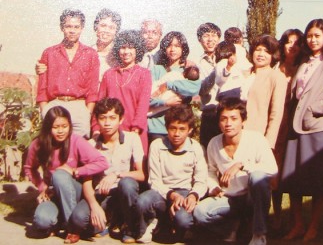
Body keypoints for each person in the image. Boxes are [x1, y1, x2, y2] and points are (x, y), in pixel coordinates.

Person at [280, 19, 323, 242]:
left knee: (317, 182)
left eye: (317, 35)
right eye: (309, 36)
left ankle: (313, 226)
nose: (313, 39)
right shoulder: (304, 61)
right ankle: (298, 224)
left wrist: (313, 109)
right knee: (292, 179)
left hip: (316, 129)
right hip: (295, 130)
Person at [194, 97, 278, 245]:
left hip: (253, 197)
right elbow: (211, 171)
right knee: (200, 213)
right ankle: (231, 227)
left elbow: (272, 168)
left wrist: (241, 165)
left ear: (243, 121)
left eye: (234, 118)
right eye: (223, 119)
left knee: (258, 176)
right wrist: (214, 186)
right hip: (230, 198)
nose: (228, 124)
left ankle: (259, 234)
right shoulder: (214, 143)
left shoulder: (256, 139)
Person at [23, 106, 108, 244]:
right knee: (41, 221)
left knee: (60, 175)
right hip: (54, 193)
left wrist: (76, 171)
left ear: (70, 126)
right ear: (48, 127)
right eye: (56, 127)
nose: (61, 131)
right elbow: (29, 168)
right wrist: (42, 187)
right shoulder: (38, 144)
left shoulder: (76, 141)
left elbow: (102, 162)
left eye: (64, 126)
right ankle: (61, 222)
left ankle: (73, 228)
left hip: (77, 191)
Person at [69, 98, 145, 244]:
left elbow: (141, 174)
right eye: (102, 118)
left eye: (112, 118)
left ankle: (129, 227)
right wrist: (94, 206)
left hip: (123, 193)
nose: (107, 123)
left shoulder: (132, 139)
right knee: (78, 219)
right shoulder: (90, 144)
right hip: (101, 195)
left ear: (121, 119)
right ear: (97, 120)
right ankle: (109, 220)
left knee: (127, 184)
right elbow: (87, 181)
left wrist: (116, 174)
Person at [135, 105, 208, 243]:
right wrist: (171, 195)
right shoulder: (157, 145)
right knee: (142, 201)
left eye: (182, 129)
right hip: (162, 192)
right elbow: (154, 180)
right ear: (166, 128)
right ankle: (152, 223)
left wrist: (193, 195)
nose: (176, 134)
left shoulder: (196, 148)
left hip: (185, 193)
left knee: (183, 221)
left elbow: (201, 180)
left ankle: (176, 226)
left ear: (190, 130)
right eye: (172, 128)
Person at [36, 9, 99, 138]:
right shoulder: (49, 53)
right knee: (52, 149)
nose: (72, 30)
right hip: (55, 104)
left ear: (81, 28)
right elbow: (42, 88)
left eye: (76, 27)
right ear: (61, 27)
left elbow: (92, 89)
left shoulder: (90, 54)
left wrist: (87, 112)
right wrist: (44, 110)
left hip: (79, 106)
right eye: (68, 26)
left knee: (79, 148)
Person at [269, 28, 304, 233]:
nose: (292, 46)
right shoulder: (275, 70)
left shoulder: (304, 68)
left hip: (297, 125)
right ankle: (276, 217)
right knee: (276, 171)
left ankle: (295, 219)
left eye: (297, 42)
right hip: (279, 126)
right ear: (282, 45)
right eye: (288, 42)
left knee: (293, 173)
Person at [96, 30, 151, 155]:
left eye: (131, 48)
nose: (126, 52)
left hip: (134, 131)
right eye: (123, 47)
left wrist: (135, 131)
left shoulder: (144, 74)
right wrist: (96, 129)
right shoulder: (108, 74)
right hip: (109, 131)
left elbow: (143, 105)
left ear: (138, 50)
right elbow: (99, 104)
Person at [147, 31, 200, 144]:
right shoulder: (156, 69)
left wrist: (168, 84)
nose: (172, 49)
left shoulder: (187, 70)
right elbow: (148, 97)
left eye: (177, 46)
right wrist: (165, 102)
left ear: (183, 49)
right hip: (157, 127)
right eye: (169, 46)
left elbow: (194, 89)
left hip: (180, 127)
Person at [242, 34, 287, 151]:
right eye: (258, 50)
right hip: (236, 135)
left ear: (273, 55)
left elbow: (276, 114)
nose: (261, 54)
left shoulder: (276, 77)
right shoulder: (243, 74)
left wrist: (268, 143)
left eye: (266, 51)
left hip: (258, 136)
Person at [197, 22, 222, 148]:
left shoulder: (227, 57)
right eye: (206, 36)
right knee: (207, 153)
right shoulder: (199, 64)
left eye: (214, 35)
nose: (210, 39)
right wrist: (217, 71)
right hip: (209, 115)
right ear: (200, 40)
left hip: (227, 112)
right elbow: (201, 89)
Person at [93, 8, 122, 79]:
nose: (106, 30)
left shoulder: (121, 56)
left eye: (111, 28)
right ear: (96, 27)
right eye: (103, 26)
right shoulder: (86, 52)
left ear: (116, 32)